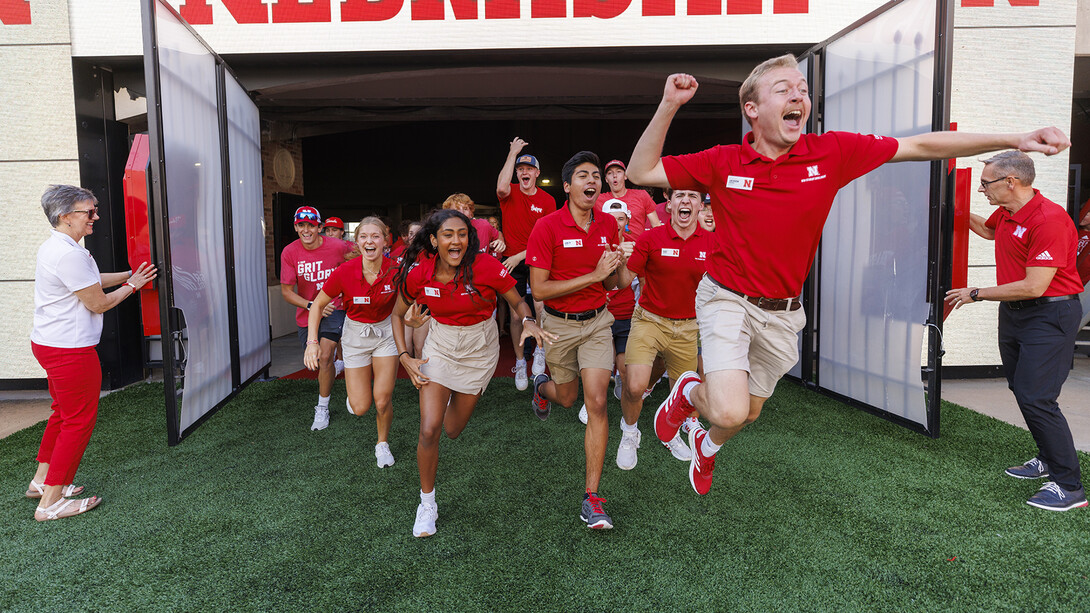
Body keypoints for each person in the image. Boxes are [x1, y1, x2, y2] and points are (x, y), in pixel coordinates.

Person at [626, 54, 1071, 496]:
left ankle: (705, 442)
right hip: (727, 297)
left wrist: (1019, 138)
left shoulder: (831, 151)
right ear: (752, 109)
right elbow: (640, 171)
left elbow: (921, 146)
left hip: (783, 312)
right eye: (783, 89)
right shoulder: (723, 161)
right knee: (727, 409)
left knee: (747, 414)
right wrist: (669, 105)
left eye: (802, 89)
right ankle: (689, 395)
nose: (798, 95)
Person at [392, 209, 552, 537]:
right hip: (440, 345)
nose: (456, 240)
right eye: (448, 234)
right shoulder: (419, 272)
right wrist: (405, 355)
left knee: (451, 429)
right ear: (434, 240)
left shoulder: (486, 266)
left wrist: (530, 321)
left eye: (462, 234)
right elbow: (396, 313)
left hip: (480, 349)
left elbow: (519, 302)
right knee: (429, 428)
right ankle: (427, 503)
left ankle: (447, 403)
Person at [946, 151, 1086, 511]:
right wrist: (953, 212)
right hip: (1016, 313)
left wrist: (975, 293)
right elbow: (989, 231)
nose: (982, 190)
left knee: (1037, 397)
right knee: (1023, 389)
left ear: (1012, 182)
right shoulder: (1008, 213)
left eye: (986, 184)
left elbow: (1035, 285)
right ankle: (1047, 457)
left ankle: (1069, 487)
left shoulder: (1049, 220)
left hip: (1049, 314)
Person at [27, 184, 157, 521]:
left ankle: (41, 483)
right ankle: (50, 503)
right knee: (78, 422)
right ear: (66, 216)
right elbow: (98, 302)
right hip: (69, 350)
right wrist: (133, 287)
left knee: (61, 413)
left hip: (48, 343)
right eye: (89, 212)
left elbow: (89, 279)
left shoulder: (56, 247)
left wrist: (131, 274)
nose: (95, 217)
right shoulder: (68, 253)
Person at [526, 151, 625, 529]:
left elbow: (613, 283)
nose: (593, 181)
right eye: (584, 175)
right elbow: (539, 288)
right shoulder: (547, 227)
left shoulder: (608, 226)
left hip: (598, 322)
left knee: (597, 401)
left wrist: (619, 267)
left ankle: (592, 499)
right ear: (567, 186)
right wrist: (594, 273)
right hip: (558, 326)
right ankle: (541, 388)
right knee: (567, 398)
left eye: (596, 176)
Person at [611, 187, 712, 470]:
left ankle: (671, 431)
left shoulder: (712, 242)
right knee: (634, 385)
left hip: (689, 327)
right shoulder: (650, 238)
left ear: (700, 206)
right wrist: (615, 261)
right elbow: (622, 281)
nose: (686, 201)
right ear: (668, 203)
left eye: (693, 196)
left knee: (685, 394)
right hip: (649, 320)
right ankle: (630, 432)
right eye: (679, 195)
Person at [303, 216, 400, 468]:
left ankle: (382, 443)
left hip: (385, 334)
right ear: (356, 242)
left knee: (382, 399)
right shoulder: (344, 271)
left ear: (385, 241)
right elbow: (317, 306)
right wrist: (312, 342)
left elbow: (408, 303)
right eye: (364, 236)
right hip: (355, 335)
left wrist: (412, 317)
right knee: (360, 407)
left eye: (375, 236)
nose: (370, 241)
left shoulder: (395, 270)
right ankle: (356, 395)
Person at [280, 205, 353, 431]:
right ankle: (338, 368)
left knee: (324, 356)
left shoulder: (339, 246)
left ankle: (322, 407)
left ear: (319, 227)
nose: (306, 230)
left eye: (311, 225)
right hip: (307, 312)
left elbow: (364, 251)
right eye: (301, 225)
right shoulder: (289, 252)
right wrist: (312, 305)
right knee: (319, 363)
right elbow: (286, 291)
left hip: (335, 307)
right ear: (295, 227)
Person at [497, 138, 555, 389]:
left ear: (537, 173)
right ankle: (521, 362)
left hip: (535, 259)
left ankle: (539, 351)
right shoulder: (509, 193)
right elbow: (500, 188)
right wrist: (512, 153)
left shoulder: (548, 200)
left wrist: (521, 255)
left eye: (529, 169)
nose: (524, 172)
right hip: (513, 263)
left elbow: (549, 238)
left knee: (541, 308)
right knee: (515, 313)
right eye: (521, 169)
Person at [596, 159, 661, 238]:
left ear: (625, 176)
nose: (614, 176)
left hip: (637, 248)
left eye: (619, 172)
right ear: (606, 179)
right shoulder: (597, 200)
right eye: (610, 173)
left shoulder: (642, 195)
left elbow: (656, 225)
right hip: (611, 248)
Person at [441, 192, 506, 259]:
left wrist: (500, 241)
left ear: (471, 213)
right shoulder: (442, 231)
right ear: (448, 214)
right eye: (457, 210)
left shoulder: (483, 225)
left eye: (465, 209)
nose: (462, 213)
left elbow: (498, 234)